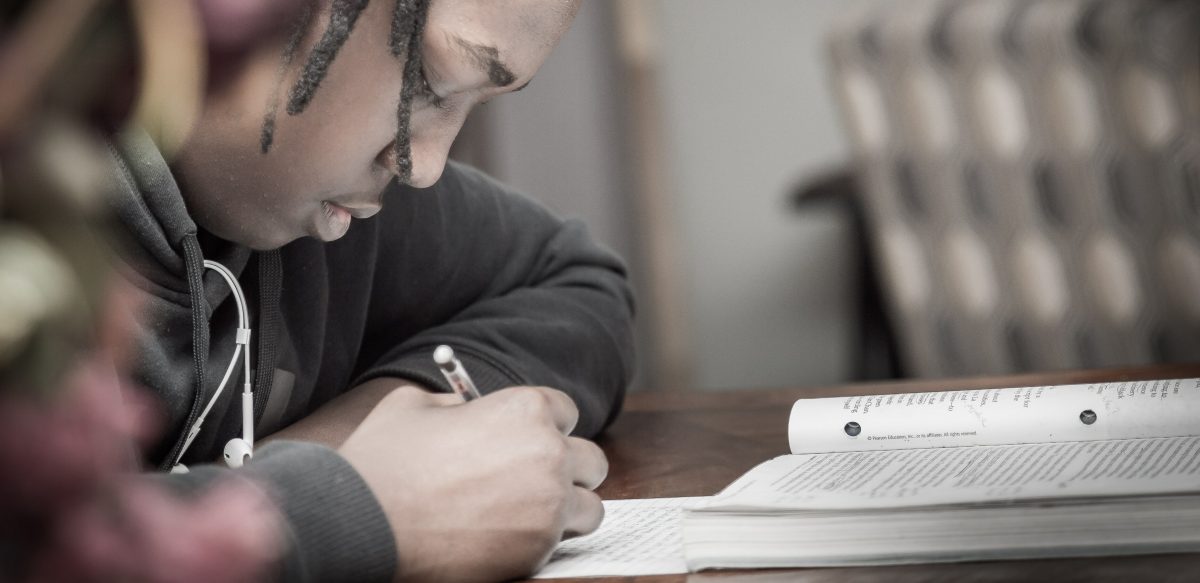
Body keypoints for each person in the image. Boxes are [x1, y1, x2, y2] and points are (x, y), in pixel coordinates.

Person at [106, 0, 634, 580]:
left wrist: (334, 457)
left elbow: (575, 280)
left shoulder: (332, 214)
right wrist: (360, 507)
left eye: (474, 103)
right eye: (430, 83)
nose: (424, 167)